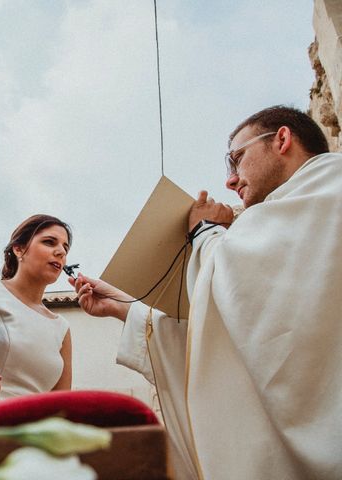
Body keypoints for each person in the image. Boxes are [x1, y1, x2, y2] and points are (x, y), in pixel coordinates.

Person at [71, 106, 342, 479]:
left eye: (237, 159)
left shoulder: (328, 186)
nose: (231, 181)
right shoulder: (281, 218)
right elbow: (239, 333)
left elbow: (240, 283)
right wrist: (123, 307)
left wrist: (205, 232)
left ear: (282, 139)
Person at [0, 214, 73, 398]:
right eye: (49, 242)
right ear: (19, 249)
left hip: (37, 426)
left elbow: (62, 403)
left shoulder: (61, 327)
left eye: (65, 247)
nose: (61, 252)